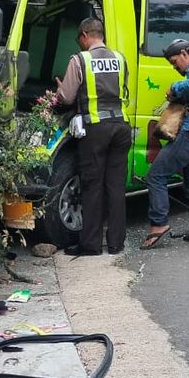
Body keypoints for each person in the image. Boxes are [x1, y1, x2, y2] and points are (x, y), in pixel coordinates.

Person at [53, 17, 132, 256]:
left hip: (96, 128)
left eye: (80, 39)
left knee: (92, 186)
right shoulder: (120, 59)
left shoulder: (80, 60)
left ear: (85, 35)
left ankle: (91, 244)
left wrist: (59, 88)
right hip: (121, 126)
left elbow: (66, 97)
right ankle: (116, 243)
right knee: (116, 187)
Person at [142, 39, 189, 249]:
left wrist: (174, 88)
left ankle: (159, 224)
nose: (176, 68)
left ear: (185, 53)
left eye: (176, 62)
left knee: (155, 176)